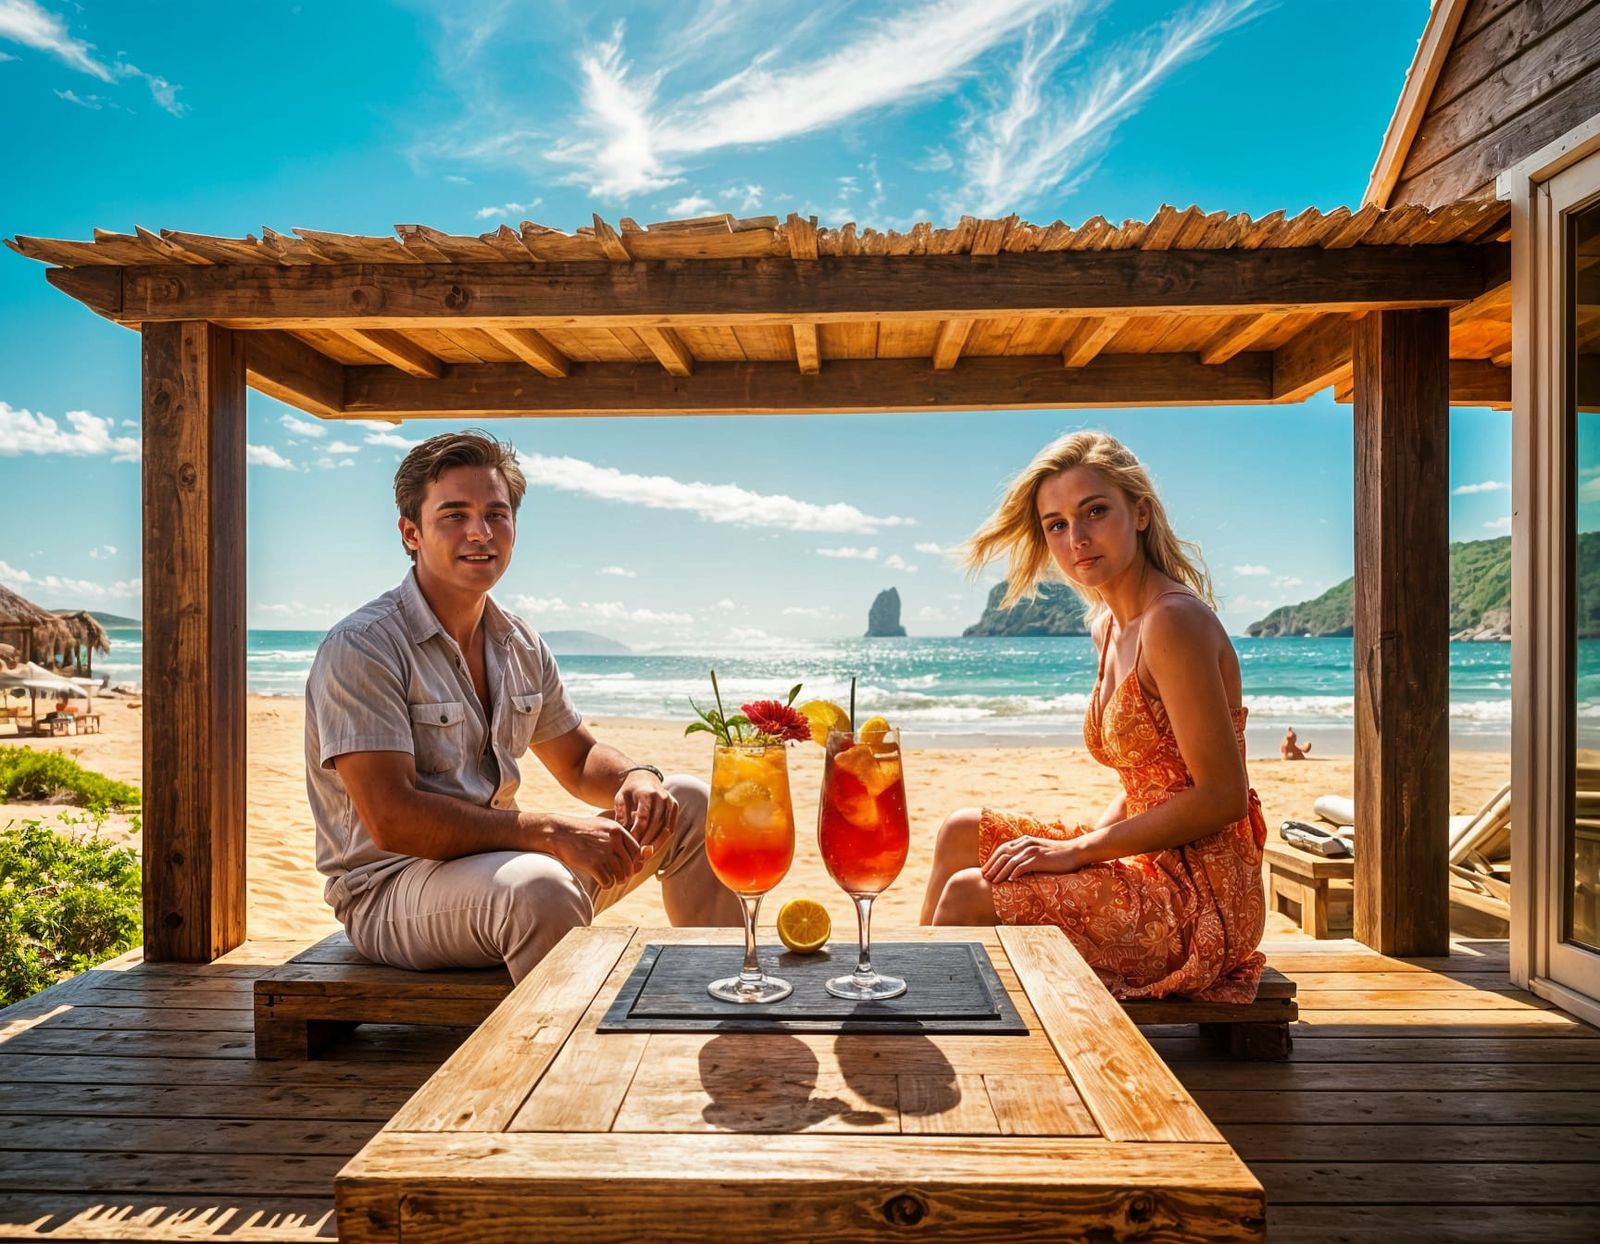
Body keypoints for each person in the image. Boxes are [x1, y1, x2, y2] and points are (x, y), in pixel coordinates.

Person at [305, 430, 742, 982]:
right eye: (455, 515)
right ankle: (570, 1063)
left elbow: (579, 761)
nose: (480, 532)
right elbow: (393, 819)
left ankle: (720, 998)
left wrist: (637, 777)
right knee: (541, 885)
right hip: (393, 892)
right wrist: (553, 832)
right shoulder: (364, 646)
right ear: (411, 533)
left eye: (496, 513)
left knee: (689, 802)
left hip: (504, 871)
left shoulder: (518, 642)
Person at [921, 430, 1267, 1002]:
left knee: (968, 894)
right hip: (1149, 856)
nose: (1076, 538)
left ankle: (939, 1036)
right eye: (1056, 524)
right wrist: (1084, 848)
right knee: (962, 831)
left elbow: (1222, 796)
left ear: (1141, 513)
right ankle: (923, 1003)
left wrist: (1077, 853)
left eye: (1094, 512)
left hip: (1202, 894)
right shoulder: (1106, 628)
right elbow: (1148, 779)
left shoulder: (1172, 622)